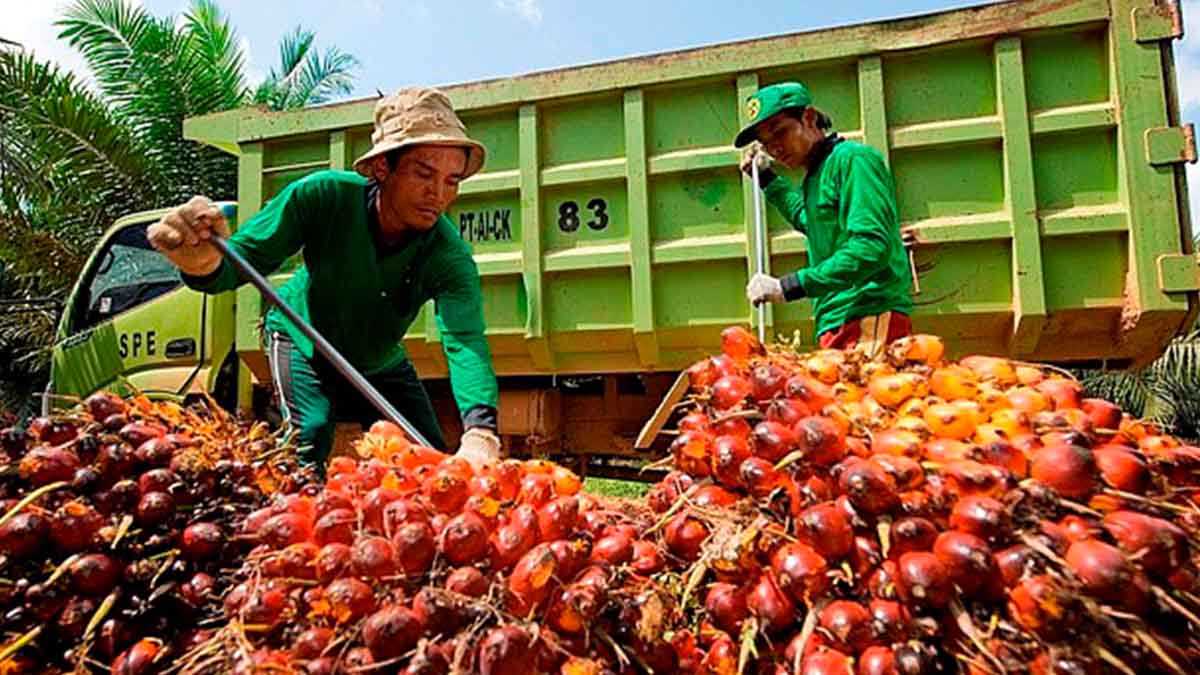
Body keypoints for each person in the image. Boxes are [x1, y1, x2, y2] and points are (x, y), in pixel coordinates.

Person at [147, 87, 501, 469]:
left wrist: (480, 432)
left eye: (452, 180)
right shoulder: (320, 197)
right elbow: (244, 259)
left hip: (379, 360)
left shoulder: (450, 255)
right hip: (302, 338)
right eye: (424, 173)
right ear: (382, 167)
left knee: (426, 458)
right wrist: (201, 263)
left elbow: (464, 341)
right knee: (310, 435)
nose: (438, 194)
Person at [736, 81, 914, 355]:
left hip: (867, 311)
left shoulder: (853, 160)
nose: (775, 149)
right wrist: (769, 180)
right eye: (766, 144)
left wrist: (789, 286)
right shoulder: (815, 177)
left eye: (780, 133)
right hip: (836, 320)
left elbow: (870, 248)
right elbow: (813, 223)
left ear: (808, 117)